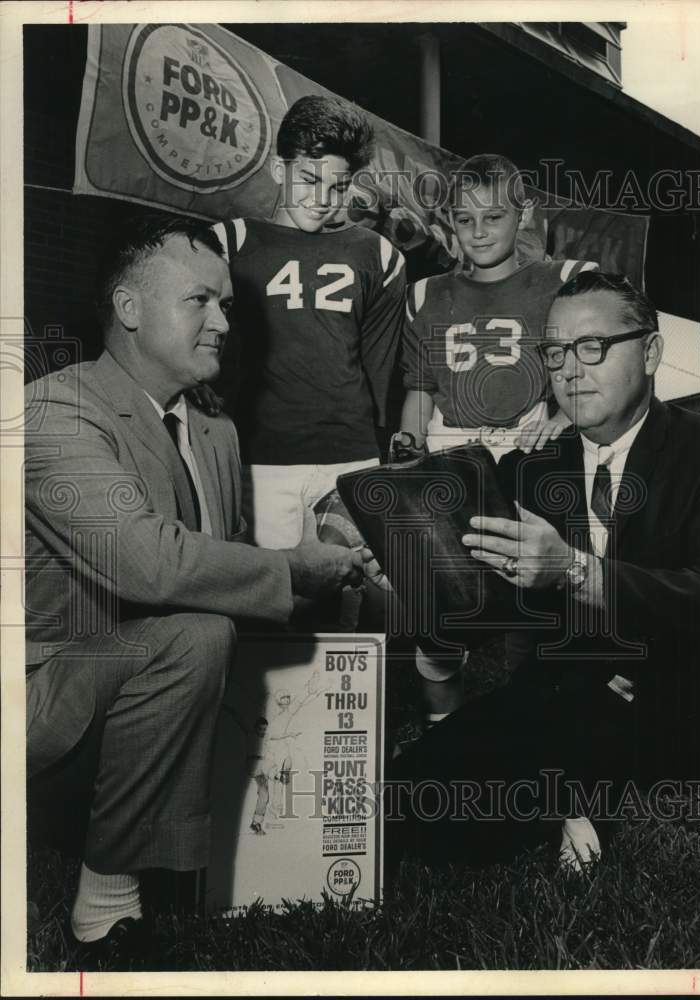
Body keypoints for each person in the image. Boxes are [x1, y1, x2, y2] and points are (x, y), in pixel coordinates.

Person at [392, 271, 700, 967]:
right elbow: (440, 526)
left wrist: (573, 570)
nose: (569, 370)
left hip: (677, 697)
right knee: (416, 808)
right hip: (572, 697)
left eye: (592, 347)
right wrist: (361, 530)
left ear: (650, 353)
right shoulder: (537, 466)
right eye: (556, 352)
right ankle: (583, 796)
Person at [25, 214, 363, 965]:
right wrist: (287, 571)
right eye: (199, 301)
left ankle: (185, 851)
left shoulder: (214, 429)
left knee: (209, 633)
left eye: (226, 305)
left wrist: (324, 552)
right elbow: (149, 562)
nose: (222, 322)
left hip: (144, 694)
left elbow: (225, 568)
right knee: (197, 636)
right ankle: (107, 909)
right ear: (129, 309)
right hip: (41, 696)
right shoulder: (53, 411)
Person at [397, 153, 597, 724]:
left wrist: (566, 413)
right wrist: (408, 445)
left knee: (531, 602)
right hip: (451, 452)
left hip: (525, 450)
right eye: (465, 220)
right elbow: (420, 388)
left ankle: (525, 734)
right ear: (449, 224)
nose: (479, 232)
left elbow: (595, 345)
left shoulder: (560, 281)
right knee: (439, 604)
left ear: (525, 214)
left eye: (494, 217)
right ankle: (443, 731)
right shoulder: (428, 294)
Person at [212, 94, 406, 551]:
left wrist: (380, 458)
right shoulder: (229, 242)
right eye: (308, 179)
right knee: (274, 601)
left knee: (351, 604)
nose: (322, 200)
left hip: (351, 460)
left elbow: (380, 375)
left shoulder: (378, 255)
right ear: (280, 170)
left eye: (338, 187)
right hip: (259, 462)